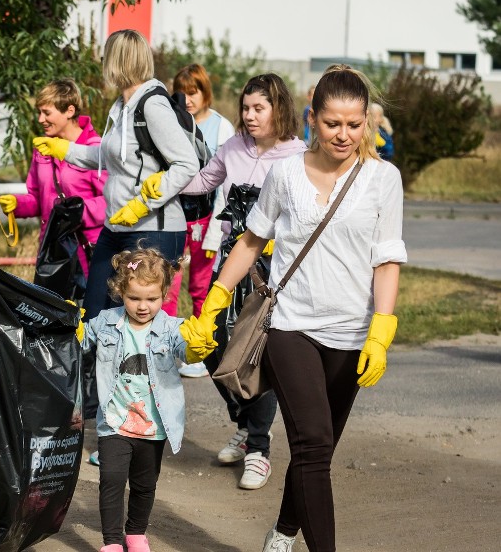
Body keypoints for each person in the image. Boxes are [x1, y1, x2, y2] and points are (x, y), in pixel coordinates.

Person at [201, 64, 407, 551]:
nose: (343, 134)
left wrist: (381, 330)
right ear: (313, 118)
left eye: (354, 124)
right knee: (312, 444)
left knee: (319, 449)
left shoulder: (384, 179)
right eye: (332, 123)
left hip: (352, 334)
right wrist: (213, 301)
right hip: (289, 325)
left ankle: (283, 531)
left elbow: (387, 261)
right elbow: (252, 241)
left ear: (367, 123)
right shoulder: (286, 173)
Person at [33, 28, 200, 466]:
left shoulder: (153, 105)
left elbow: (187, 163)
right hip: (117, 226)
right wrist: (65, 150)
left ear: (117, 60)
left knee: (141, 329)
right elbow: (107, 159)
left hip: (153, 228)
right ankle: (104, 419)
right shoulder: (121, 107)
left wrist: (144, 200)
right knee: (93, 319)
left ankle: (140, 423)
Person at [158, 73, 306, 490]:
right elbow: (203, 180)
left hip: (274, 272)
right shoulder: (234, 147)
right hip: (230, 263)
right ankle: (244, 422)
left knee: (257, 354)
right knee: (211, 347)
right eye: (245, 108)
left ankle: (258, 450)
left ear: (279, 109)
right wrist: (161, 182)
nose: (249, 115)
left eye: (259, 108)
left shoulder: (298, 155)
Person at [78, 247, 218, 552]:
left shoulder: (171, 328)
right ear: (120, 292)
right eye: (134, 298)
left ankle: (136, 533)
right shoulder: (106, 321)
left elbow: (184, 349)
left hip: (153, 426)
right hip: (114, 421)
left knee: (144, 485)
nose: (143, 306)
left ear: (164, 293)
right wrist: (69, 323)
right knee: (112, 480)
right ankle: (112, 541)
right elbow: (81, 340)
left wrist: (196, 349)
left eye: (151, 299)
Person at [164, 63, 235, 379]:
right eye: (181, 93)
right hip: (175, 214)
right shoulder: (168, 122)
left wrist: (219, 227)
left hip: (208, 217)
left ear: (205, 92)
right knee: (168, 281)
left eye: (193, 92)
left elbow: (225, 182)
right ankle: (165, 347)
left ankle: (201, 350)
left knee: (201, 285)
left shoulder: (222, 128)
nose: (187, 100)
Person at [0, 78, 105, 279]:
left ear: (69, 111)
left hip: (89, 253)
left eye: (47, 113)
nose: (40, 119)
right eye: (39, 112)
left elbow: (111, 201)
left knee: (90, 310)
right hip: (52, 252)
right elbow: (39, 200)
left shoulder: (95, 149)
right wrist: (17, 205)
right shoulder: (43, 150)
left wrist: (75, 214)